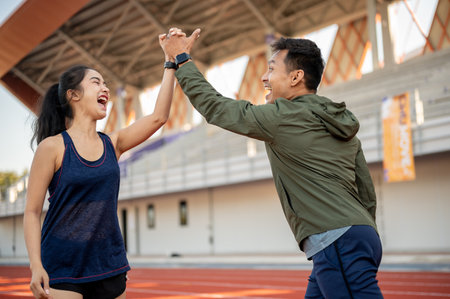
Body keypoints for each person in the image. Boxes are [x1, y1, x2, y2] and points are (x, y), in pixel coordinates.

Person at [160, 28, 383, 298]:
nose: (264, 77)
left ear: (296, 77)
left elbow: (215, 108)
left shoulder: (282, 116)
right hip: (357, 235)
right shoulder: (339, 119)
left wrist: (181, 59)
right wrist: (359, 231)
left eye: (272, 69)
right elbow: (366, 191)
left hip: (335, 239)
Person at [23, 33, 178, 299]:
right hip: (62, 267)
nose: (105, 88)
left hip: (109, 265)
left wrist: (170, 62)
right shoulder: (52, 147)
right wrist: (36, 265)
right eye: (96, 82)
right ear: (73, 95)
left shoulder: (113, 143)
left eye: (106, 83)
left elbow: (159, 117)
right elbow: (32, 212)